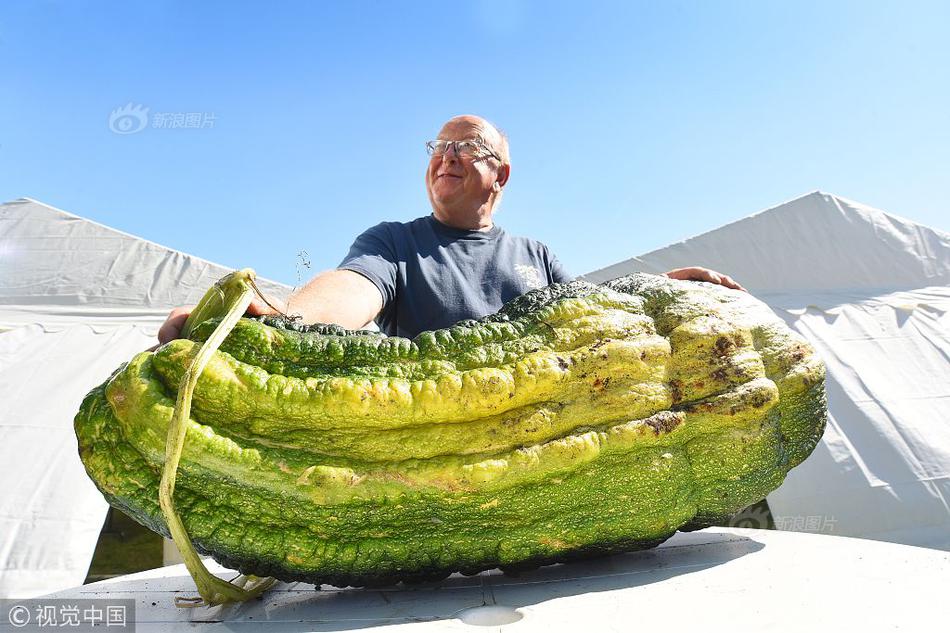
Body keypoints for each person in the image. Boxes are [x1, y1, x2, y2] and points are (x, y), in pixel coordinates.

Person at [158, 115, 745, 344]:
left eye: (467, 146)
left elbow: (591, 314)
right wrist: (285, 322)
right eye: (439, 146)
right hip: (440, 441)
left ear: (502, 174)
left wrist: (658, 287)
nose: (447, 155)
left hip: (539, 439)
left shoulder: (534, 253)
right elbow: (351, 288)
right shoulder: (394, 242)